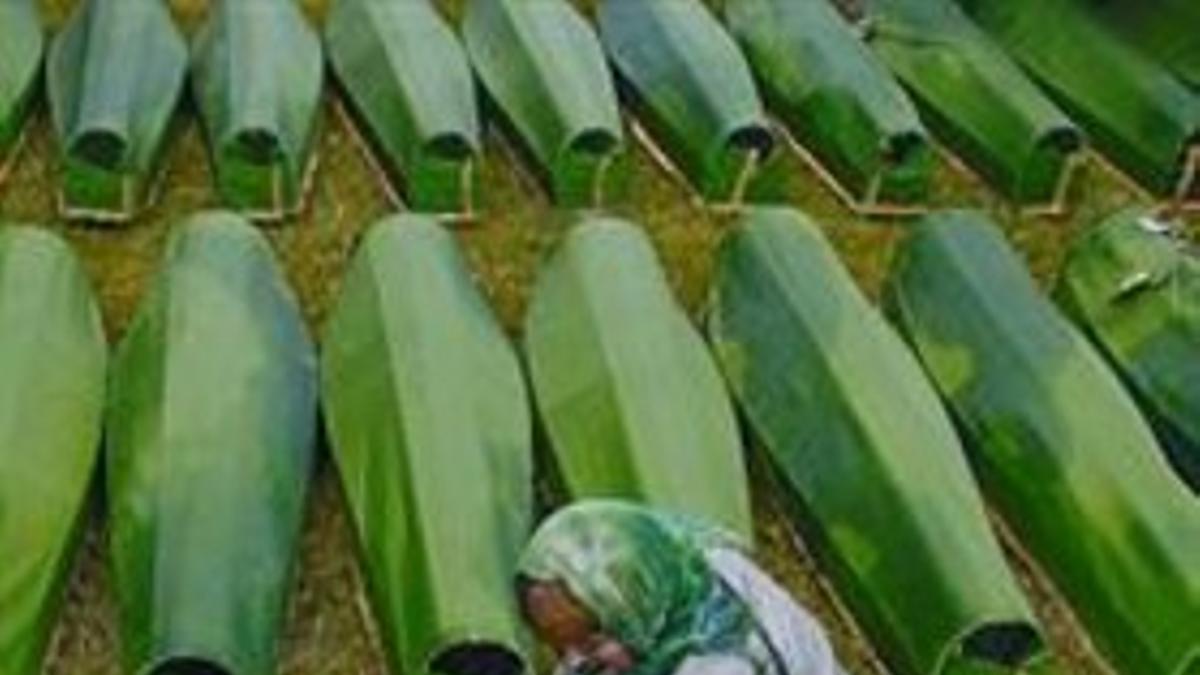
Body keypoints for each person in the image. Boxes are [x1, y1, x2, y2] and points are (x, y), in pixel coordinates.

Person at [515, 500, 846, 675]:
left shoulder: (721, 665)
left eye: (590, 641)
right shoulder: (671, 561)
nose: (573, 662)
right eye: (557, 644)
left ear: (637, 611)